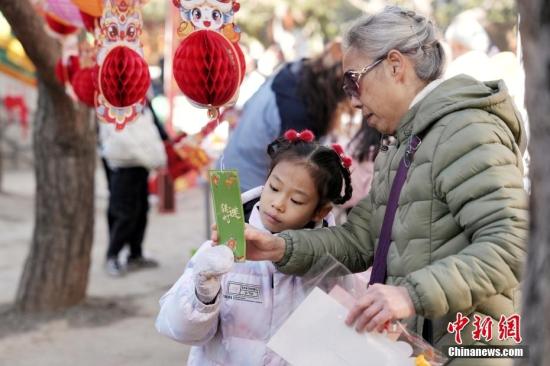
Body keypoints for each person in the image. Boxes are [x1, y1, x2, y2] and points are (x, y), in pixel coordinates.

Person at [218, 6, 528, 364]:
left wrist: (410, 295)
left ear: (395, 65)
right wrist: (277, 248)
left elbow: (514, 242)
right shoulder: (406, 141)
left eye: (354, 80)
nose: (352, 98)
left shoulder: (465, 131)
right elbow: (361, 239)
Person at [155, 129, 353, 365]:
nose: (278, 204)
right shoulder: (225, 246)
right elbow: (177, 329)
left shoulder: (330, 265)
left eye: (296, 200)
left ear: (321, 210)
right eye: (275, 188)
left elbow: (340, 343)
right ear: (266, 178)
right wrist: (203, 294)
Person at [219, 41, 348, 191]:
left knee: (227, 213)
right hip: (246, 185)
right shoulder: (298, 113)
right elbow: (293, 174)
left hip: (227, 171)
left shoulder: (295, 69)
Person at [100, 105, 167, 276]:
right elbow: (121, 138)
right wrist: (150, 160)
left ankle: (135, 255)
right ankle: (112, 256)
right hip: (124, 167)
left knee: (141, 212)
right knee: (123, 214)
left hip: (142, 168)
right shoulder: (114, 104)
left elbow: (151, 134)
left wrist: (159, 158)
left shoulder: (143, 106)